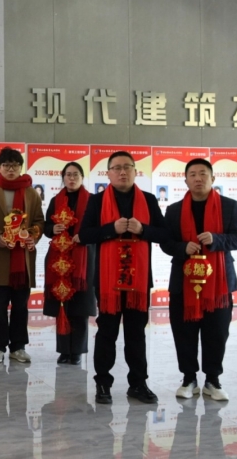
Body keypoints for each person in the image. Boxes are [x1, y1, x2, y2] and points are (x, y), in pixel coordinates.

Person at [79, 151, 169, 405]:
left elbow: (164, 234)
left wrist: (143, 230)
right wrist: (111, 229)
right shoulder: (97, 201)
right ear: (108, 173)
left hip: (138, 279)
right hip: (108, 280)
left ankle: (138, 384)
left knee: (136, 333)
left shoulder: (148, 200)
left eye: (127, 167)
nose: (122, 172)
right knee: (107, 331)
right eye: (116, 168)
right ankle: (103, 383)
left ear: (135, 171)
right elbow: (84, 235)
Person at [160, 158, 237, 402]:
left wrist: (217, 239)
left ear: (212, 178)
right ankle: (189, 379)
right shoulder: (174, 210)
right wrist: (182, 247)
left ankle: (212, 380)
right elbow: (166, 243)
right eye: (193, 174)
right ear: (185, 180)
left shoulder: (229, 206)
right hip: (183, 281)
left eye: (203, 174)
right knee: (184, 332)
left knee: (216, 332)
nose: (198, 178)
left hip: (219, 283)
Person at [0, 146, 44, 364]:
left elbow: (39, 221)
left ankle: (18, 347)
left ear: (21, 167)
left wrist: (32, 235)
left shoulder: (31, 193)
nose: (11, 169)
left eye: (15, 165)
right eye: (6, 165)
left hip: (22, 259)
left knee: (21, 306)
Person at [42, 161, 96, 366]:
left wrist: (85, 235)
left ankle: (78, 351)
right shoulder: (55, 200)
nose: (72, 178)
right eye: (68, 175)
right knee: (62, 303)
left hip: (83, 257)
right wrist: (52, 229)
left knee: (80, 306)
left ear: (82, 178)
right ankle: (64, 351)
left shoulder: (92, 200)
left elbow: (98, 227)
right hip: (59, 258)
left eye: (76, 175)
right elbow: (46, 226)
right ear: (63, 178)